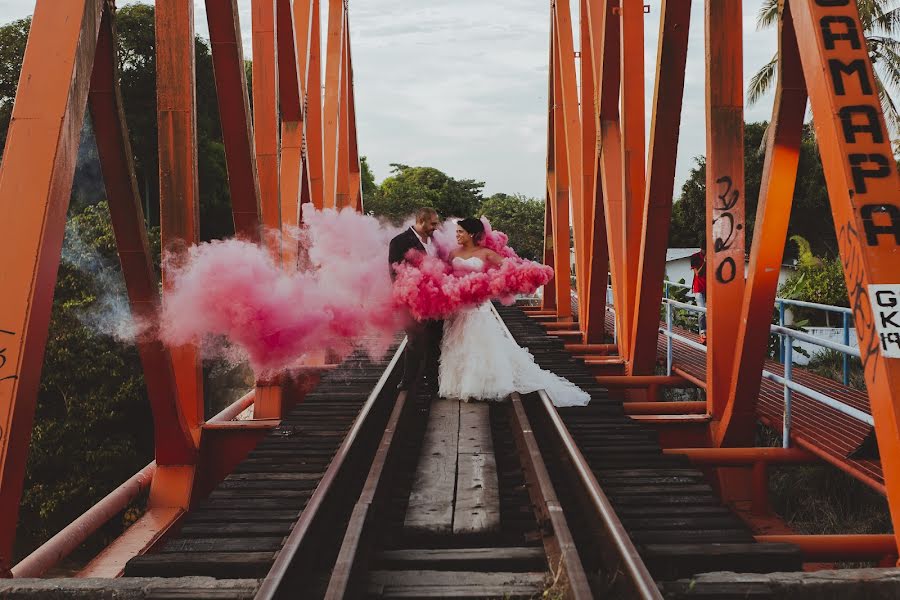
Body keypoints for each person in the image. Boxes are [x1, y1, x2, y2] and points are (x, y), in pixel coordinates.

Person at [437, 218, 590, 407]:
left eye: (460, 231)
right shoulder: (453, 254)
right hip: (458, 309)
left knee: (476, 345)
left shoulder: (486, 253)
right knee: (457, 345)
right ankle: (458, 384)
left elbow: (509, 269)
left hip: (478, 308)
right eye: (457, 231)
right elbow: (445, 276)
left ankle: (476, 385)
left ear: (471, 234)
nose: (457, 235)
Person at [389, 207, 443, 391]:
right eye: (433, 223)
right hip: (412, 301)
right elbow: (394, 273)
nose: (436, 227)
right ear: (421, 220)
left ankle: (432, 381)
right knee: (415, 340)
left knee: (435, 341)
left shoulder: (436, 241)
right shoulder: (399, 242)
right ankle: (408, 380)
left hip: (436, 301)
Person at [690, 250, 707, 345]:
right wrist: (705, 262)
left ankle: (709, 332)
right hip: (698, 288)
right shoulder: (695, 257)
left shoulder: (713, 256)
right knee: (702, 310)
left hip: (709, 288)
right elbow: (698, 274)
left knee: (709, 311)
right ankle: (703, 332)